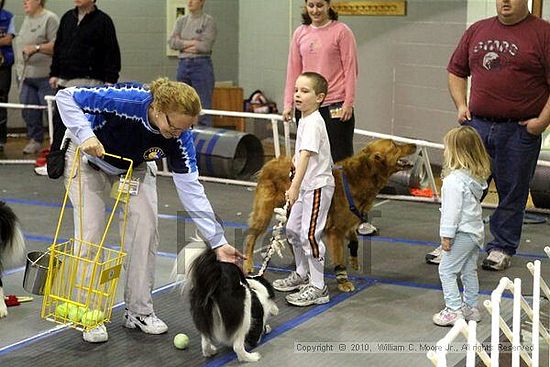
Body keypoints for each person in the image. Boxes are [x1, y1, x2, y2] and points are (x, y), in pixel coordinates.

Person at [55, 78, 245, 343]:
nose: (178, 133)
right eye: (173, 126)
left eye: (185, 128)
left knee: (145, 233)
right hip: (90, 161)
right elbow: (66, 96)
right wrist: (85, 134)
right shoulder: (126, 99)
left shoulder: (180, 138)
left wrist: (218, 242)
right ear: (157, 108)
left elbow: (191, 189)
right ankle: (89, 314)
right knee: (91, 237)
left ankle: (139, 311)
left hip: (135, 169)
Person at [426, 0, 550, 271]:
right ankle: (451, 242)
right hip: (477, 127)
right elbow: (456, 70)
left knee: (512, 191)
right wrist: (461, 105)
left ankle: (501, 247)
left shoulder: (543, 33)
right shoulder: (477, 30)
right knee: (462, 187)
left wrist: (540, 123)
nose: (504, 1)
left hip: (519, 131)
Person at [282, 1, 376, 237]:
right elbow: (293, 69)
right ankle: (309, 214)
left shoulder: (341, 31)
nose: (315, 10)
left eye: (320, 5)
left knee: (343, 163)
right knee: (306, 160)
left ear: (329, 5)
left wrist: (348, 102)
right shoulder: (300, 33)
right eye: (311, 5)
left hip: (335, 105)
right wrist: (288, 102)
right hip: (307, 106)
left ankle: (357, 218)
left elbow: (351, 68)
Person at [35, 0, 120, 175]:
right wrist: (54, 73)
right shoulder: (67, 17)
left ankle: (96, 163)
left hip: (91, 84)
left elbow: (112, 51)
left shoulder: (103, 21)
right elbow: (59, 47)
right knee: (59, 125)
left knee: (90, 126)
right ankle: (55, 165)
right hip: (65, 82)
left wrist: (110, 80)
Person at [272, 72, 335, 307]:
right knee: (292, 230)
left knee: (310, 235)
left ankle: (319, 287)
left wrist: (294, 186)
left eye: (305, 91)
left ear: (319, 97)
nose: (298, 94)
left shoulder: (315, 122)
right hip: (304, 186)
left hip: (316, 187)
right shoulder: (305, 119)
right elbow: (301, 156)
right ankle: (302, 273)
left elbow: (308, 156)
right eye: (296, 90)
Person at [433, 126, 490, 326]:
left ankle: (453, 309)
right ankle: (470, 307)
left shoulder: (453, 182)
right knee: (468, 270)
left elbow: (451, 212)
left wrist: (446, 237)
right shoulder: (474, 180)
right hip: (475, 233)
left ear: (455, 152)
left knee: (446, 270)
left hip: (461, 234)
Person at [15, 0, 59, 155]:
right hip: (26, 76)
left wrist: (37, 48)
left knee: (51, 112)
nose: (24, 2)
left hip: (45, 76)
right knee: (29, 110)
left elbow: (58, 45)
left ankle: (57, 143)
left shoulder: (50, 18)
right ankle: (35, 140)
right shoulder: (27, 18)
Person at [168, 0, 216, 126]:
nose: (189, 2)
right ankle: (182, 135)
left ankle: (204, 137)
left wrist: (182, 43)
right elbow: (172, 42)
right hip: (183, 63)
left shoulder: (208, 21)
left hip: (201, 64)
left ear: (201, 2)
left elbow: (205, 46)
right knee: (182, 103)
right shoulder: (181, 21)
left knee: (203, 104)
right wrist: (193, 42)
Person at [0, 0, 14, 152]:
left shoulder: (8, 17)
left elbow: (8, 39)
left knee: (2, 102)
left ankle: (1, 140)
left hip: (4, 66)